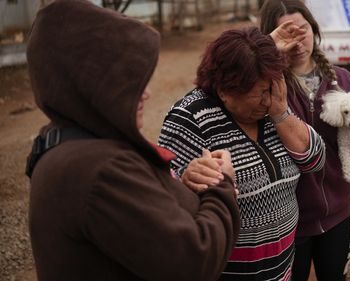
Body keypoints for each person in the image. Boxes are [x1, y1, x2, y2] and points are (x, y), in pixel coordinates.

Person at [25, 1, 240, 280]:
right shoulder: (102, 170)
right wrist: (220, 184)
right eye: (127, 80)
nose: (147, 93)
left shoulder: (63, 142)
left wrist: (181, 188)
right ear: (91, 84)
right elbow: (194, 260)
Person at [158, 26, 325, 281]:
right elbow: (164, 200)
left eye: (271, 90)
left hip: (281, 271)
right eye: (258, 95)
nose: (268, 101)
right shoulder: (189, 117)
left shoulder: (274, 104)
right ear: (225, 90)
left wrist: (281, 114)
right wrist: (186, 181)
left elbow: (315, 160)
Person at [260, 1, 350, 280]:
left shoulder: (342, 80)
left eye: (302, 29)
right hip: (288, 223)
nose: (298, 40)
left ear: (314, 29)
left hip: (338, 215)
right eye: (287, 32)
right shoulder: (266, 87)